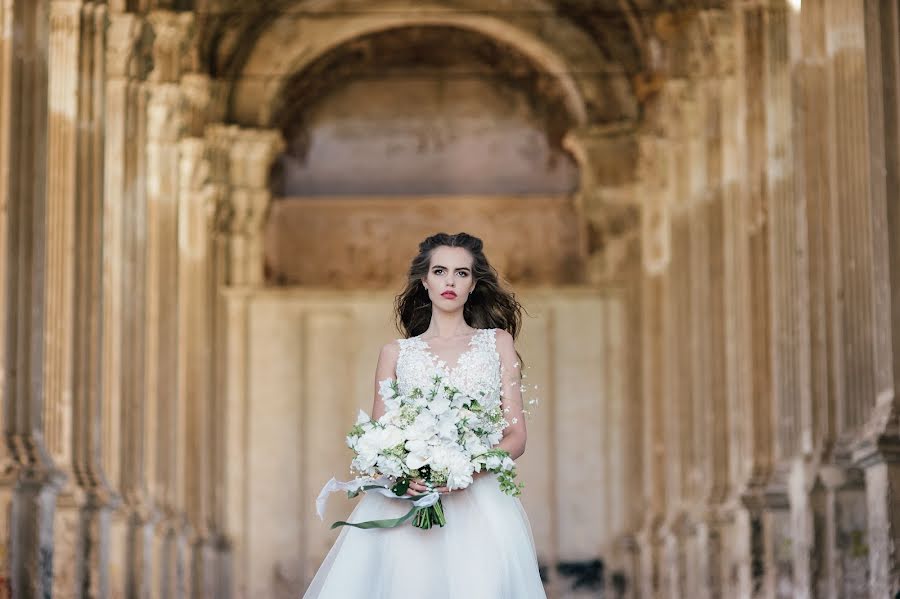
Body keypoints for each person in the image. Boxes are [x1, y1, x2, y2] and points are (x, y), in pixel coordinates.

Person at [302, 232, 546, 598]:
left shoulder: (497, 343)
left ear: (473, 285)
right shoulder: (395, 353)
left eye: (461, 273)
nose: (450, 281)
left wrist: (465, 467)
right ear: (424, 281)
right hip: (408, 504)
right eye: (440, 271)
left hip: (480, 505)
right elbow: (379, 439)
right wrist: (401, 476)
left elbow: (516, 437)